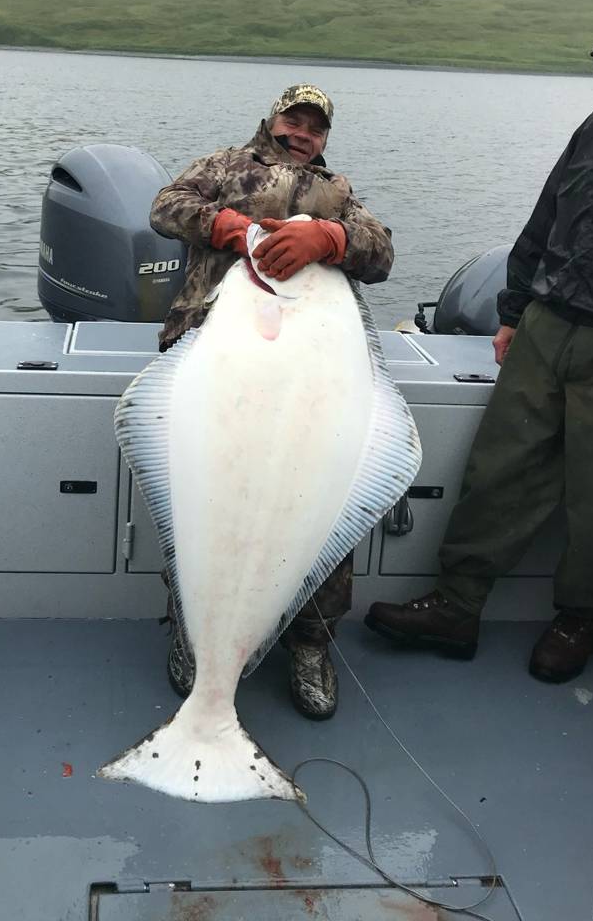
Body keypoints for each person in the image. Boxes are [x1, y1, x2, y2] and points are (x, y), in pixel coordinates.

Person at [365, 1, 593, 683]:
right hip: (548, 326)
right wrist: (515, 309)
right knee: (499, 471)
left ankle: (579, 617)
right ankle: (457, 606)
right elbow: (546, 217)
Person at [149, 84, 394, 719]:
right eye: (293, 117)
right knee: (200, 502)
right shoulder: (224, 166)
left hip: (307, 375)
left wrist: (331, 241)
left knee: (320, 504)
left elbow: (382, 251)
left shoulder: (338, 194)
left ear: (324, 136)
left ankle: (311, 643)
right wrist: (226, 225)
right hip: (213, 352)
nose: (301, 131)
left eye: (314, 125)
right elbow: (165, 206)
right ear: (272, 119)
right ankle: (193, 630)